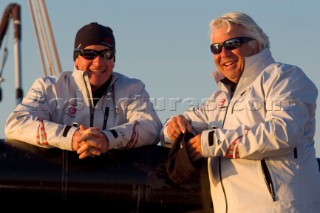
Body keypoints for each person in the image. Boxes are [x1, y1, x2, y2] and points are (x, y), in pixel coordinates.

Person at [161, 12, 320, 212]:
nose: (223, 53)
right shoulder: (218, 100)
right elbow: (168, 133)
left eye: (232, 43)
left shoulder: (285, 77)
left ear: (256, 44)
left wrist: (209, 143)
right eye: (216, 48)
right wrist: (173, 127)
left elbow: (282, 133)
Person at [5, 22, 162, 159]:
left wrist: (107, 139)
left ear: (113, 60)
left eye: (106, 54)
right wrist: (72, 137)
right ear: (76, 60)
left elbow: (151, 127)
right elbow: (16, 122)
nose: (98, 62)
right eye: (89, 54)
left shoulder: (132, 89)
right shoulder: (49, 87)